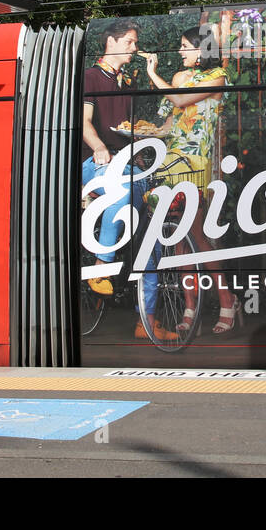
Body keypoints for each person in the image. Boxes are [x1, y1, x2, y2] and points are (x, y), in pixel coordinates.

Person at [79, 20, 178, 342]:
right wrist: (99, 147)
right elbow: (84, 122)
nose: (135, 48)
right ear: (113, 43)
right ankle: (102, 264)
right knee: (121, 191)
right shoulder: (91, 77)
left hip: (125, 164)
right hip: (97, 163)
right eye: (131, 42)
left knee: (151, 241)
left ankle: (146, 321)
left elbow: (130, 127)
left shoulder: (124, 83)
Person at [139, 26, 235, 334]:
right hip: (170, 162)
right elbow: (168, 125)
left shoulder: (217, 76)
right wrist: (146, 135)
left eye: (184, 46)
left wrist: (153, 73)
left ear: (201, 48)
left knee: (198, 237)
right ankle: (190, 305)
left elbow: (181, 102)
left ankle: (226, 300)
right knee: (177, 241)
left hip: (197, 162)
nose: (180, 51)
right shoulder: (179, 77)